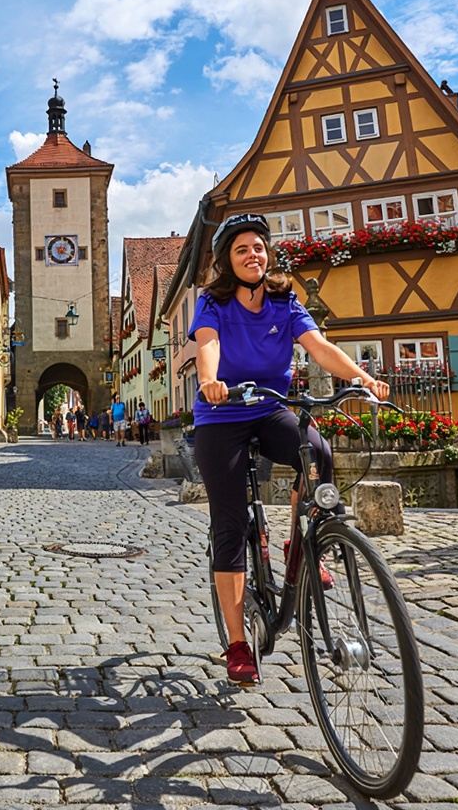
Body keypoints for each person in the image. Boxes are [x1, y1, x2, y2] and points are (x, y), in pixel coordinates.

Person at [192, 213, 389, 685]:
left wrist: (361, 378)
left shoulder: (284, 298)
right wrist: (209, 382)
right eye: (241, 249)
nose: (252, 255)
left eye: (258, 247)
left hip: (270, 405)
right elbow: (208, 343)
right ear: (227, 260)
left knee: (315, 451)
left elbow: (318, 346)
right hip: (223, 415)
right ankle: (238, 643)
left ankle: (303, 545)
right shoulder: (212, 301)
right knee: (230, 524)